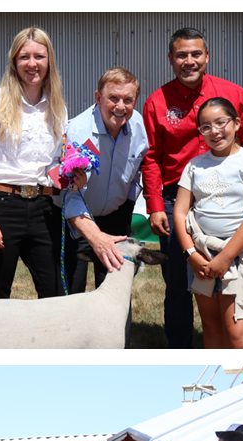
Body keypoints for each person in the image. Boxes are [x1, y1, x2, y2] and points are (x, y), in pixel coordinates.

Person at [141, 27, 243, 349]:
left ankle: (234, 331)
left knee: (234, 271)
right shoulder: (156, 101)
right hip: (174, 200)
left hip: (225, 197)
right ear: (170, 59)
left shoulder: (233, 94)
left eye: (196, 54)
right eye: (182, 55)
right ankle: (181, 348)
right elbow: (151, 157)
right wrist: (154, 205)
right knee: (179, 282)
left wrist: (242, 184)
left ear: (207, 56)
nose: (189, 61)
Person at [0, 27, 69, 300]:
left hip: (45, 209)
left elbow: (53, 164)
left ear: (49, 61)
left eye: (39, 57)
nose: (32, 64)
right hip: (1, 207)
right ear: (14, 61)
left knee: (55, 296)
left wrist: (72, 175)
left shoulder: (58, 107)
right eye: (24, 57)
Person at [58, 67, 148, 346]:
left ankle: (117, 346)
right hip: (77, 218)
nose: (121, 107)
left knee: (115, 290)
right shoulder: (75, 130)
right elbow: (65, 188)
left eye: (128, 100)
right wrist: (89, 233)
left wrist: (129, 202)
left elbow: (138, 171)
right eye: (113, 98)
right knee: (71, 291)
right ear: (98, 97)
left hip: (116, 216)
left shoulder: (139, 127)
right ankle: (70, 345)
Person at [172, 97, 243, 349]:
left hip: (239, 257)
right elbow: (180, 212)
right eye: (205, 126)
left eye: (220, 122)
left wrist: (225, 257)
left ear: (236, 123)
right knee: (212, 328)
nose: (214, 131)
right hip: (203, 258)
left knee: (238, 333)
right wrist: (191, 254)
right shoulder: (195, 165)